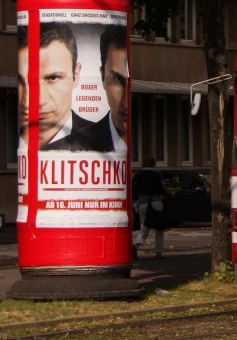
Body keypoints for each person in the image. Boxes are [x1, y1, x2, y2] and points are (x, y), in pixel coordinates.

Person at [17, 22, 105, 151]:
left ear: (76, 74)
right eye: (20, 80)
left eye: (52, 78)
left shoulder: (103, 142)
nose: (28, 101)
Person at [74, 25, 128, 153]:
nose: (126, 102)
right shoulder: (76, 145)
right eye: (118, 80)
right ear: (102, 76)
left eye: (130, 83)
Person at [133, 157, 166, 259]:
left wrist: (135, 200)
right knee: (159, 227)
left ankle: (137, 243)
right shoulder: (157, 174)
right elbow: (161, 188)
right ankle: (158, 252)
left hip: (143, 202)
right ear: (154, 164)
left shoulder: (138, 175)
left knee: (144, 226)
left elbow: (134, 190)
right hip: (156, 201)